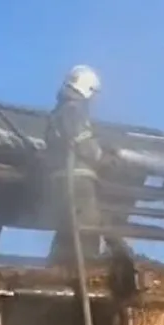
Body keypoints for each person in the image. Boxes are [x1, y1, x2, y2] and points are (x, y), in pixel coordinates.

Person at [45, 64, 109, 265]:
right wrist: (102, 157)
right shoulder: (73, 110)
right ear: (86, 88)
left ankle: (56, 268)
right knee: (87, 227)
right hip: (77, 178)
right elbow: (83, 143)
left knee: (67, 229)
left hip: (61, 179)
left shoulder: (59, 111)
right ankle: (86, 268)